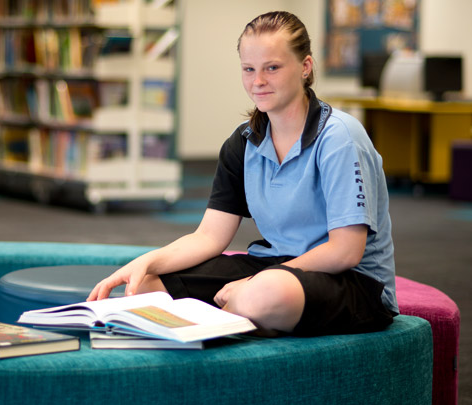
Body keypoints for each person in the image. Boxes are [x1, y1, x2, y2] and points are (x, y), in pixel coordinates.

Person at [87, 11, 398, 337]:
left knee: (265, 294)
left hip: (355, 282)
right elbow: (208, 237)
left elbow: (345, 250)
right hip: (277, 265)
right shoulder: (243, 141)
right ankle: (233, 317)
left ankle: (222, 322)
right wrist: (146, 263)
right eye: (249, 69)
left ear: (305, 67)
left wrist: (254, 282)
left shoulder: (339, 137)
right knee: (147, 287)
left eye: (272, 68)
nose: (258, 81)